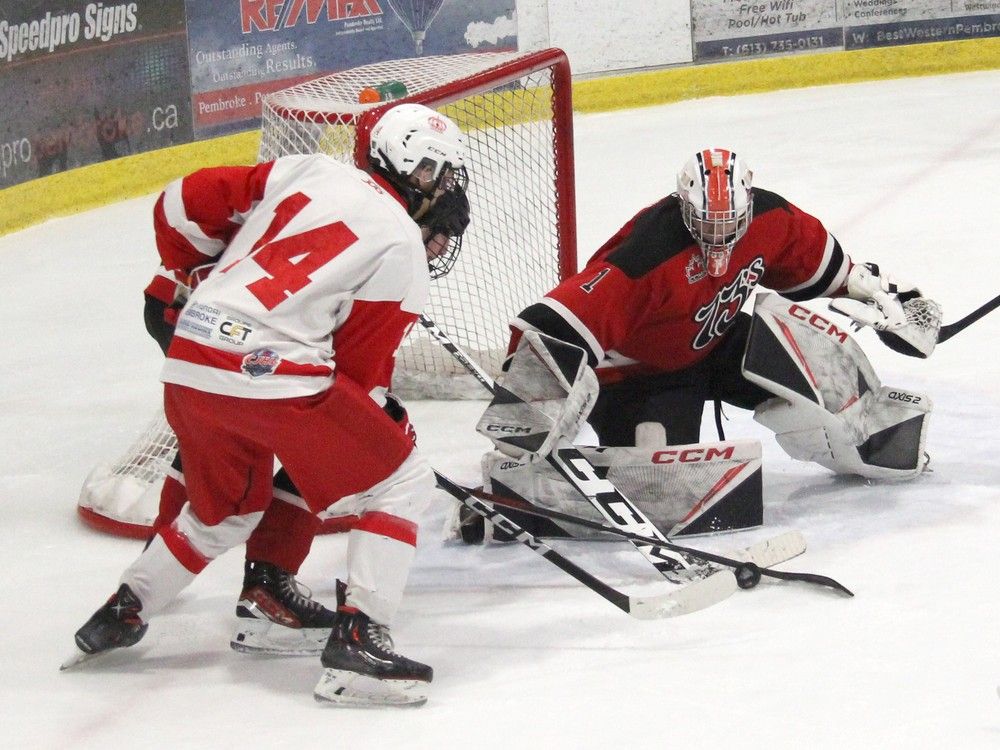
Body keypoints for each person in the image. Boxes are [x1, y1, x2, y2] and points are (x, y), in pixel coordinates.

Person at [68, 103, 471, 707]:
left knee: (225, 509)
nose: (445, 194)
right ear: (416, 167)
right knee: (400, 480)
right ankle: (360, 643)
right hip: (270, 376)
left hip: (188, 359)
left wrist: (194, 273)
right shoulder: (402, 248)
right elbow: (356, 384)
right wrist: (390, 429)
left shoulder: (308, 170)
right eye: (442, 178)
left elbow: (181, 201)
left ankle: (125, 608)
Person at [506, 147, 936, 460]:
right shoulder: (645, 257)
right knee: (657, 478)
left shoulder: (770, 219)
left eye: (730, 221)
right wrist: (526, 413)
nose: (719, 234)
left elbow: (825, 267)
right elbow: (549, 325)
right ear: (683, 207)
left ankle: (868, 437)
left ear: (748, 205)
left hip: (717, 344)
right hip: (641, 378)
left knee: (819, 358)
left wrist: (884, 297)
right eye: (707, 222)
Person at [145, 265, 415, 656]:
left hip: (198, 322)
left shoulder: (349, 223)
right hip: (220, 329)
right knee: (330, 437)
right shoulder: (380, 252)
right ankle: (267, 588)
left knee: (217, 429)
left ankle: (160, 565)